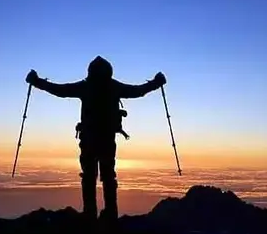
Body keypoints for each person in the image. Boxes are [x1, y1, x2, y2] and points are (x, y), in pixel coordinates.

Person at [25, 56, 166, 222]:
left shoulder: (86, 86)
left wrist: (36, 81)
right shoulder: (114, 87)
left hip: (89, 140)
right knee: (108, 177)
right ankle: (110, 215)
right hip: (107, 140)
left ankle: (90, 214)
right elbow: (138, 91)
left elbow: (60, 90)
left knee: (89, 177)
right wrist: (156, 83)